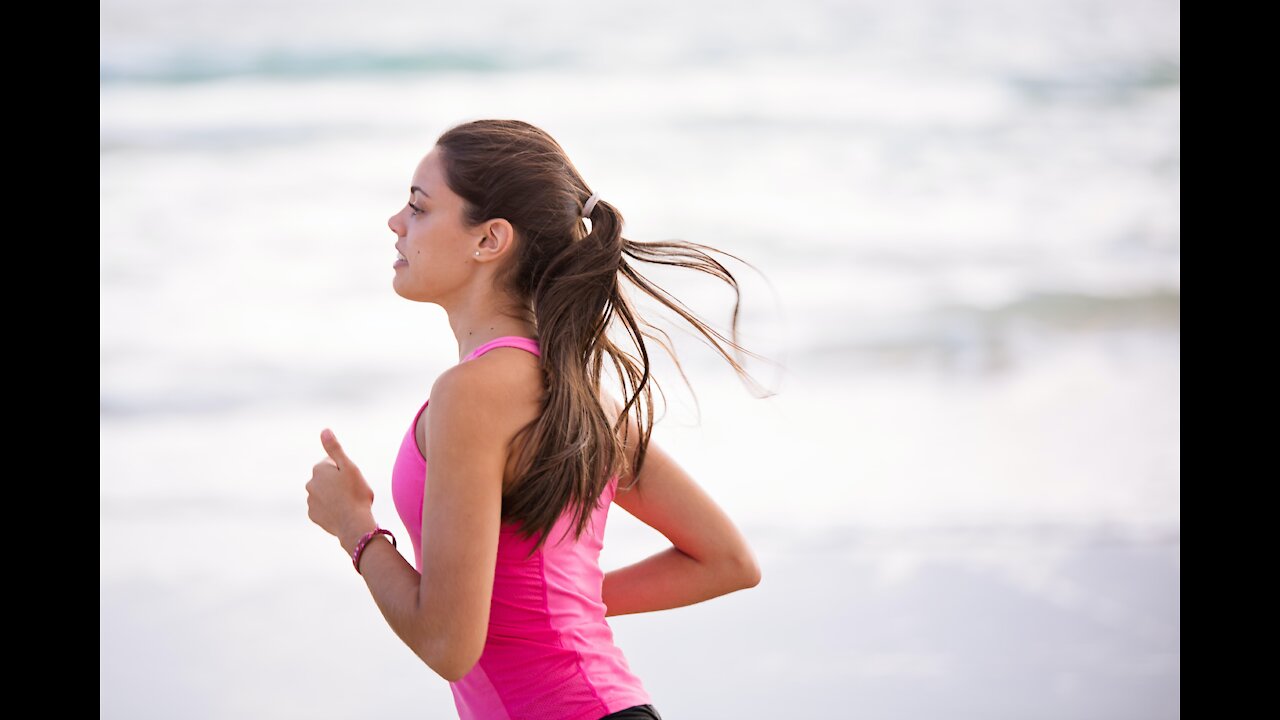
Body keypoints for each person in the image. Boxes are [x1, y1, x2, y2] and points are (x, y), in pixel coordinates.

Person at [306, 118, 767, 720]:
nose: (396, 223)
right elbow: (726, 561)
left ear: (489, 240)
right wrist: (557, 609)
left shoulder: (471, 394)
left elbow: (448, 645)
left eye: (419, 208)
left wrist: (355, 528)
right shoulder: (573, 391)